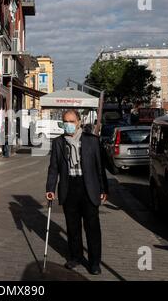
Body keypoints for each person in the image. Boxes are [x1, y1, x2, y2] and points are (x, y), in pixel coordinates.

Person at [45, 109, 109, 275]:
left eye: (72, 121)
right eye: (66, 121)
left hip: (88, 187)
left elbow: (99, 167)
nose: (69, 125)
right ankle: (76, 257)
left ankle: (94, 263)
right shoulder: (58, 142)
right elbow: (53, 168)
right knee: (72, 227)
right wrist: (50, 188)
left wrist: (103, 189)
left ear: (79, 122)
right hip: (69, 187)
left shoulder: (92, 141)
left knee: (92, 227)